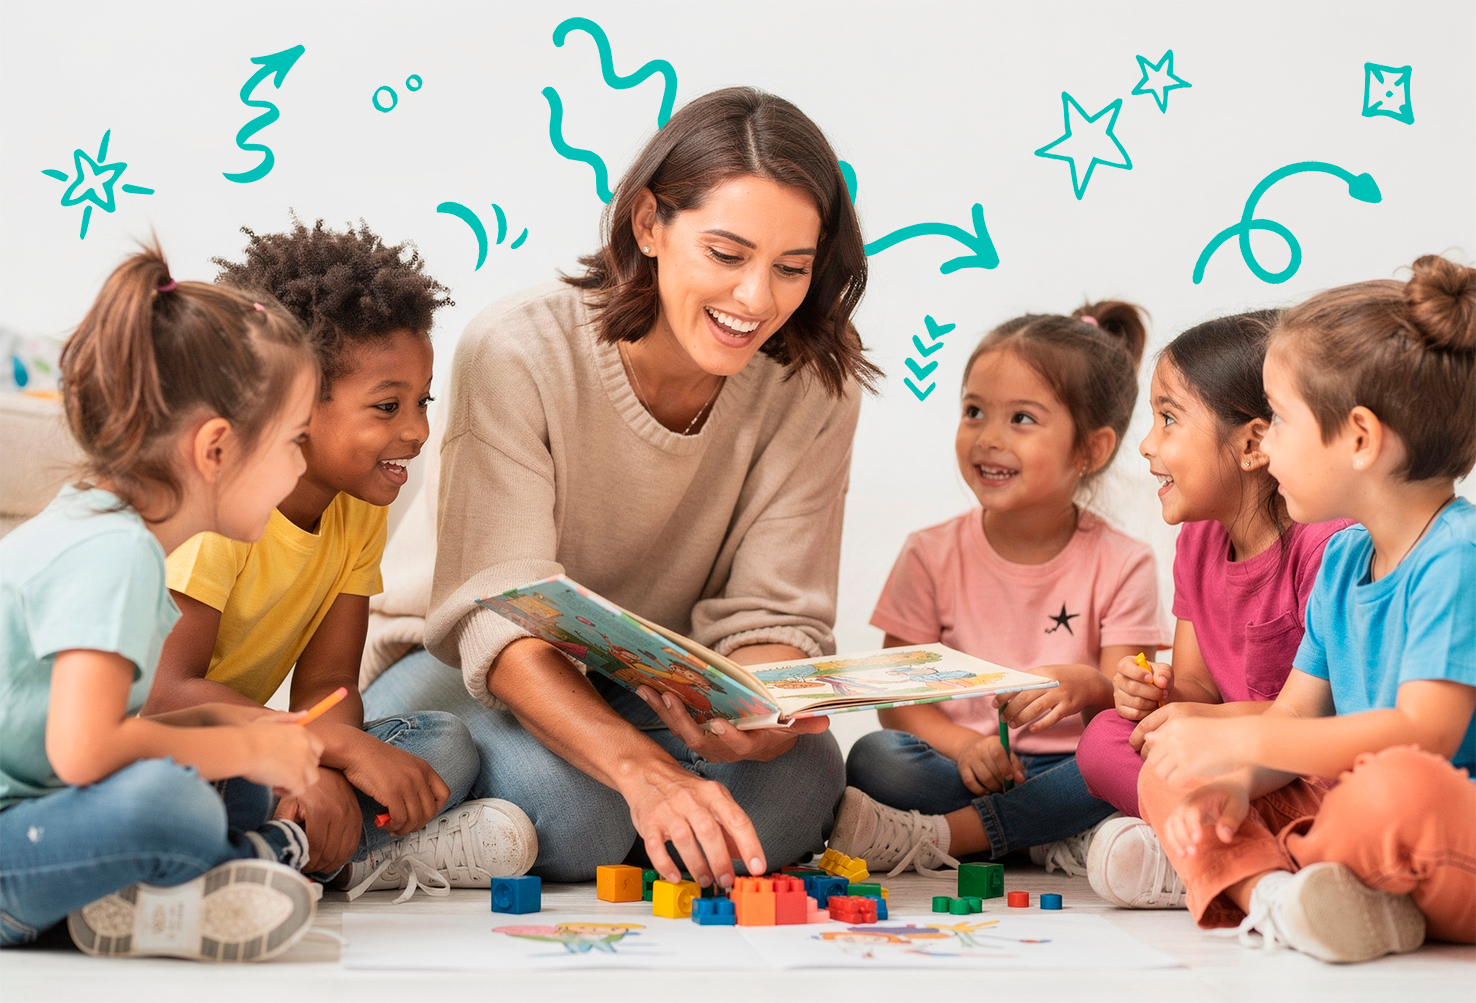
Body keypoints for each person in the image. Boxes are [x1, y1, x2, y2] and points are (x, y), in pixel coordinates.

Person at [361, 87, 879, 886]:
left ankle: (626, 816)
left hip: (664, 681)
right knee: (578, 814)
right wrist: (642, 770)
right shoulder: (519, 350)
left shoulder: (814, 384)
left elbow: (773, 617)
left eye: (791, 269)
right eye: (727, 254)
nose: (756, 300)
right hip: (484, 659)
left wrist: (763, 717)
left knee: (800, 783)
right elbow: (496, 622)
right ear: (649, 224)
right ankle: (471, 829)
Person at [1099, 255, 1476, 964]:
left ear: (1359, 438)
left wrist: (1245, 745)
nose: (1263, 441)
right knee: (1175, 774)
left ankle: (1289, 877)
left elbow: (1423, 732)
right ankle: (1278, 898)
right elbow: (1294, 717)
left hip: (1436, 829)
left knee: (1398, 781)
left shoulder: (1457, 556)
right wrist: (1234, 779)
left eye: (1280, 418)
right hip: (1341, 814)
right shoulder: (1343, 562)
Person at [144, 220, 535, 903]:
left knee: (439, 745)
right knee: (203, 790)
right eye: (387, 406)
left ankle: (285, 853)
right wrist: (325, 755)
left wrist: (324, 754)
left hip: (247, 748)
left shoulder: (358, 507)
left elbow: (328, 681)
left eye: (422, 401)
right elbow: (166, 696)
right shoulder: (217, 512)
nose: (415, 431)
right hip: (150, 750)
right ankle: (325, 854)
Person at [0, 248, 325, 960]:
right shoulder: (113, 553)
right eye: (296, 440)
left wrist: (223, 725)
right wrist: (240, 741)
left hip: (40, 809)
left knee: (231, 781)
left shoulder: (108, 529)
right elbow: (85, 751)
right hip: (10, 842)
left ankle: (173, 881)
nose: (303, 466)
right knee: (167, 803)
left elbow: (103, 726)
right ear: (215, 448)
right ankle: (231, 865)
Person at [832, 303, 1169, 877]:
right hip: (960, 768)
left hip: (1072, 765)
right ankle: (1048, 836)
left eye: (1022, 419)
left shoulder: (1124, 561)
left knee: (1137, 760)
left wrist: (1088, 685)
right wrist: (963, 746)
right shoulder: (930, 552)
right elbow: (897, 701)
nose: (988, 438)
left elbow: (1132, 708)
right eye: (974, 411)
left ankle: (958, 836)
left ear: (1092, 449)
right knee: (875, 759)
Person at [1077, 312, 1349, 908]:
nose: (1147, 444)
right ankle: (1216, 847)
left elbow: (1328, 714)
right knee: (1103, 738)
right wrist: (1157, 698)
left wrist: (1208, 725)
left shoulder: (1328, 545)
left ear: (1253, 444)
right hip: (1235, 763)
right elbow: (1197, 685)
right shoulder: (1196, 543)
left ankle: (1208, 857)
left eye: (1169, 419)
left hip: (1310, 767)